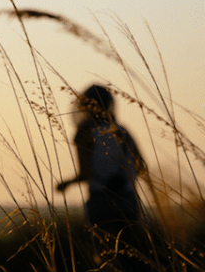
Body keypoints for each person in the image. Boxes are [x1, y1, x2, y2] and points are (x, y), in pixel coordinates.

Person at [56, 84, 145, 233]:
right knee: (133, 251)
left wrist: (67, 184)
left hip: (101, 201)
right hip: (129, 201)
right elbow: (140, 166)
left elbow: (85, 174)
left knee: (103, 252)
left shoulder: (85, 134)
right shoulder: (123, 131)